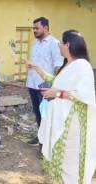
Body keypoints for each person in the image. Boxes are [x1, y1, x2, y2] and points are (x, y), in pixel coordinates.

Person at [27, 30, 96, 184]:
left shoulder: (82, 66)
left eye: (60, 43)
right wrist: (36, 67)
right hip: (62, 120)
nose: (58, 45)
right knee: (63, 157)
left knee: (71, 159)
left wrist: (57, 94)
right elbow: (55, 81)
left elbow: (84, 95)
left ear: (68, 45)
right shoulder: (68, 65)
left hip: (73, 122)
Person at [26, 17, 64, 145]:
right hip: (32, 84)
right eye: (33, 28)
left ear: (46, 28)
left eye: (37, 28)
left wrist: (54, 86)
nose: (34, 31)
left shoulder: (54, 44)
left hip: (45, 86)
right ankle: (40, 136)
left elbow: (58, 66)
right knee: (37, 113)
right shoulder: (35, 44)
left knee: (46, 116)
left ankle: (46, 144)